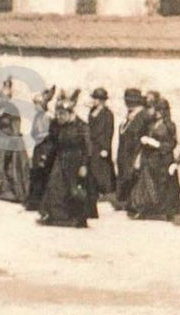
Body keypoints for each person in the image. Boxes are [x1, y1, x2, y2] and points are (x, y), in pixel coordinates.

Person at [38, 90, 97, 228]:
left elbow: (88, 148)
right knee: (55, 187)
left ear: (71, 113)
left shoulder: (82, 126)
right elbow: (52, 142)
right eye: (59, 114)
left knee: (74, 190)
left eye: (63, 114)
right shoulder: (60, 126)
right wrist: (45, 155)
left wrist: (84, 165)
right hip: (61, 160)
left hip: (76, 161)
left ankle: (76, 217)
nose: (60, 117)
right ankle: (56, 216)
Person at [128, 99, 179, 220]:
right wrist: (144, 140)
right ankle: (142, 209)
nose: (157, 112)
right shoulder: (150, 124)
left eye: (160, 110)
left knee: (164, 186)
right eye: (156, 110)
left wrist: (157, 144)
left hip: (163, 159)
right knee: (145, 184)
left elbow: (172, 144)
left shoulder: (170, 126)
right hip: (149, 157)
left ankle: (167, 212)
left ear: (165, 111)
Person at [24, 87, 56, 212]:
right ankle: (34, 201)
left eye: (37, 104)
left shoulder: (48, 117)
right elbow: (34, 131)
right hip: (38, 147)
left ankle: (42, 201)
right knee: (36, 173)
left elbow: (49, 133)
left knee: (43, 173)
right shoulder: (38, 116)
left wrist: (39, 136)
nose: (35, 107)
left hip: (45, 147)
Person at [114, 88, 146, 208]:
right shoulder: (129, 115)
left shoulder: (142, 116)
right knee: (125, 175)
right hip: (125, 152)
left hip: (134, 151)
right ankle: (127, 201)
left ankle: (134, 203)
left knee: (133, 176)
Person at [86, 88, 116, 200]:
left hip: (101, 145)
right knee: (92, 167)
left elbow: (109, 132)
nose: (94, 100)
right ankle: (95, 191)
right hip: (92, 144)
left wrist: (105, 148)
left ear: (101, 100)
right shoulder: (92, 111)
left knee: (102, 168)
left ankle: (104, 191)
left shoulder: (108, 114)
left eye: (96, 98)